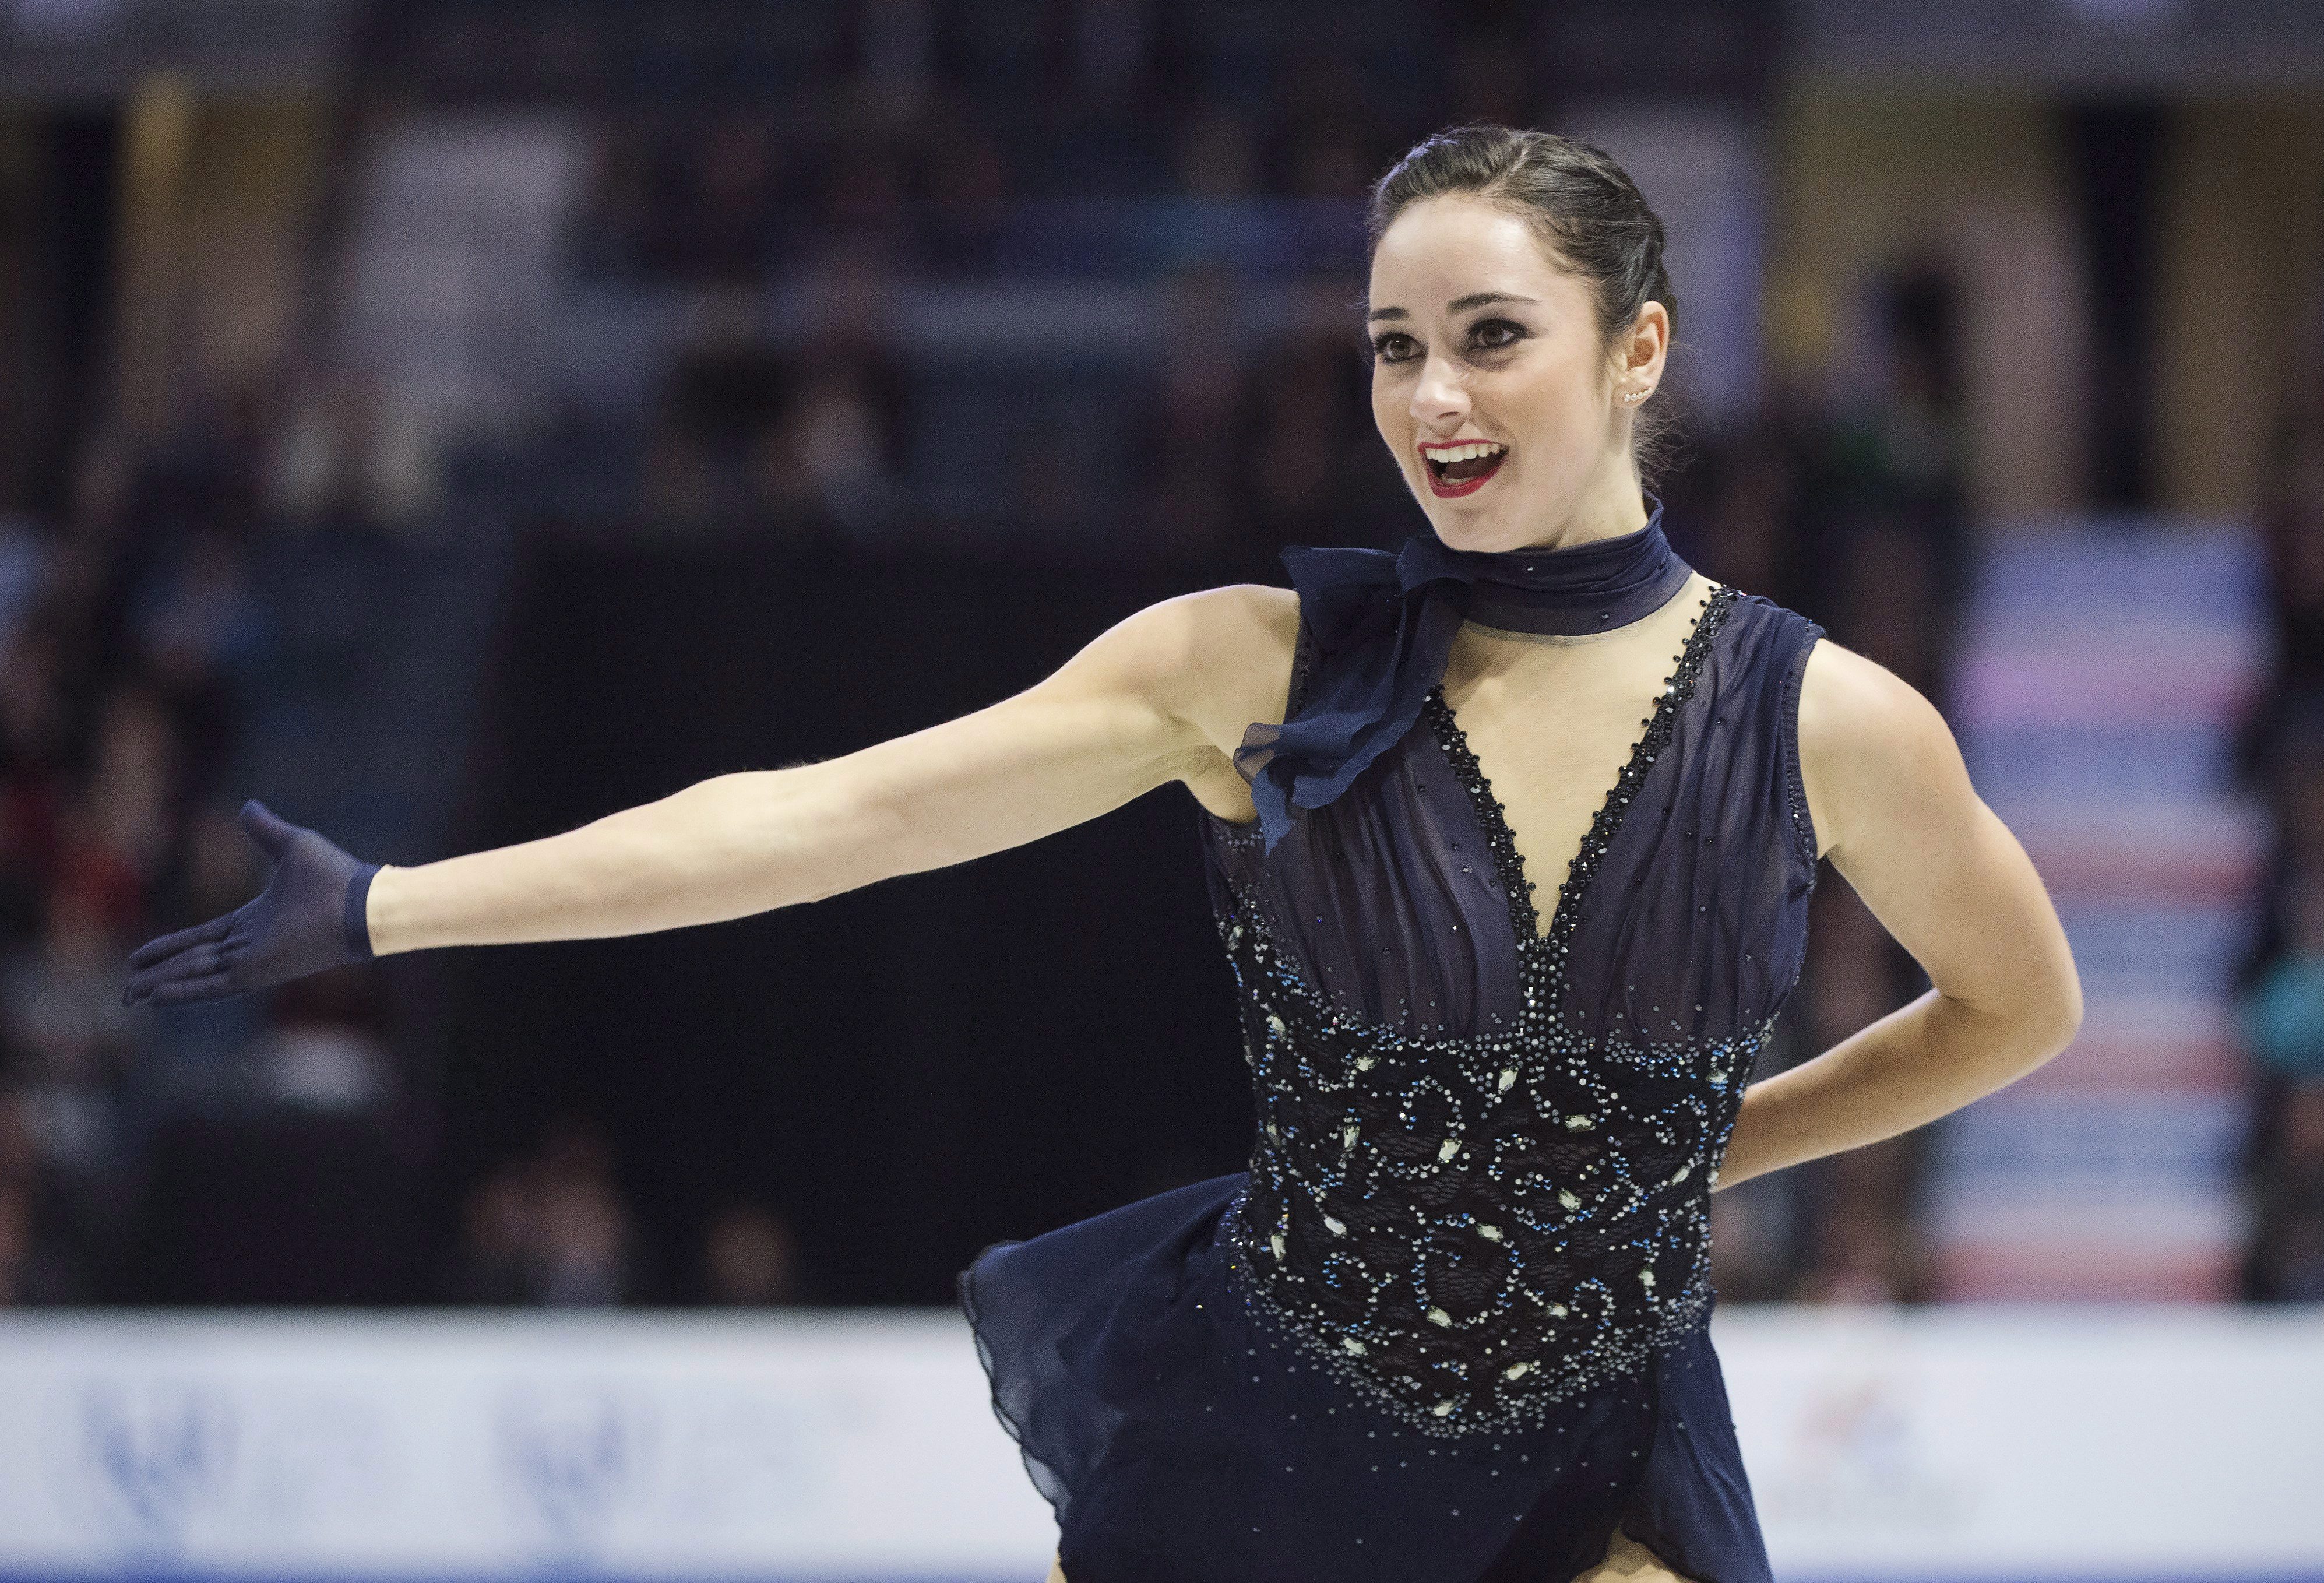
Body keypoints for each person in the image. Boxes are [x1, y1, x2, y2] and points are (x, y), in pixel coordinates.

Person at [121, 125, 2083, 1582]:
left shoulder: (1825, 719)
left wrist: (1724, 1137)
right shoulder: (1246, 667)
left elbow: (2014, 1005)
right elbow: (816, 824)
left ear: (1641, 347)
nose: (1432, 396)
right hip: (1257, 1453)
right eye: (1394, 345)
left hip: (1606, 1472)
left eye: (1492, 335)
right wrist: (394, 903)